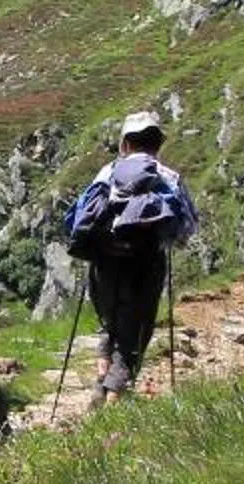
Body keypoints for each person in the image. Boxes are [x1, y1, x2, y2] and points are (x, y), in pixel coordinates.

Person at [69, 111, 200, 399]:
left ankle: (101, 383)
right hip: (144, 263)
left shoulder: (107, 173)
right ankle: (114, 404)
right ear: (157, 144)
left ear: (124, 144)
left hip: (103, 263)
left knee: (110, 323)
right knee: (134, 335)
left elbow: (80, 216)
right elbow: (187, 227)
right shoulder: (167, 177)